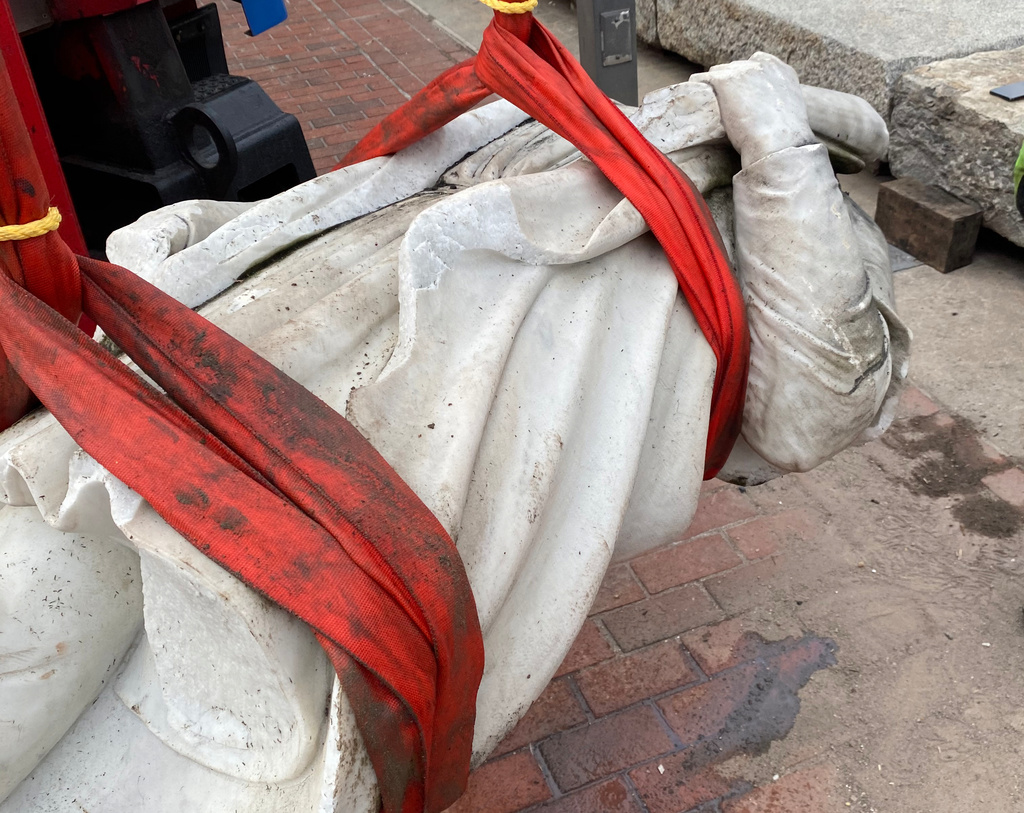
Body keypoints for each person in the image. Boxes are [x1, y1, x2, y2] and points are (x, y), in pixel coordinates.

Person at [0, 53, 908, 812]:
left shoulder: (810, 230)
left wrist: (780, 131)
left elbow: (814, 405)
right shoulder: (661, 132)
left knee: (186, 584)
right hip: (350, 290)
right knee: (71, 505)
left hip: (461, 389)